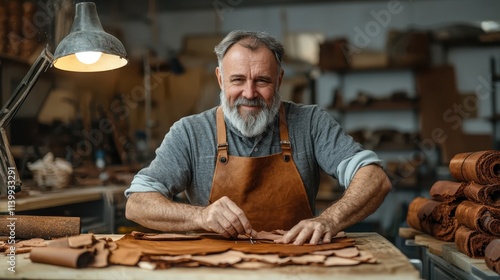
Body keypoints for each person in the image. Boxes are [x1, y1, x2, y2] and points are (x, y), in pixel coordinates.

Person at [124, 30, 391, 245]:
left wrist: (329, 220)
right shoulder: (190, 132)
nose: (249, 93)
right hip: (215, 269)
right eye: (237, 80)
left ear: (280, 79)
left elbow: (375, 179)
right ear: (220, 79)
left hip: (297, 265)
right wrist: (201, 216)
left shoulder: (310, 123)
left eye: (262, 81)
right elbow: (137, 204)